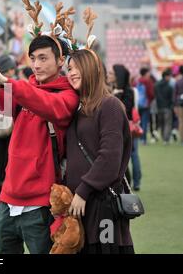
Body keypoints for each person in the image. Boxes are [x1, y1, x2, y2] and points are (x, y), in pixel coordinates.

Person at [0, 33, 79, 254]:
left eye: (43, 58)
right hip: (8, 197)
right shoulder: (24, 90)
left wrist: (5, 81)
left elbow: (45, 103)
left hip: (42, 201)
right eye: (33, 58)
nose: (36, 65)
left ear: (60, 60)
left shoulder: (68, 95)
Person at [65, 49, 134, 254]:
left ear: (93, 70)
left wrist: (83, 190)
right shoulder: (76, 109)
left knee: (106, 248)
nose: (72, 73)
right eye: (69, 68)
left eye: (77, 67)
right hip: (78, 207)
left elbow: (110, 158)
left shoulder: (109, 105)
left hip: (103, 206)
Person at [0, 54, 17, 198]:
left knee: (0, 164)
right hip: (11, 130)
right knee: (8, 165)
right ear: (10, 69)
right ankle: (5, 195)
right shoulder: (9, 84)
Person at [111, 64, 141, 190]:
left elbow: (124, 110)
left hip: (124, 128)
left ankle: (131, 183)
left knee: (127, 156)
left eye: (111, 73)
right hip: (128, 127)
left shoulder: (122, 92)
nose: (109, 75)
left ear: (118, 76)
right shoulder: (131, 90)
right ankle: (135, 182)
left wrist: (116, 96)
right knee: (131, 155)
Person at [155, 69, 174, 145]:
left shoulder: (156, 85)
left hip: (159, 107)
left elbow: (155, 96)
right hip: (167, 107)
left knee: (162, 123)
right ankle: (166, 139)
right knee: (167, 123)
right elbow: (171, 98)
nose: (170, 78)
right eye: (169, 76)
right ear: (166, 76)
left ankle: (163, 138)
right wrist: (171, 106)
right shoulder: (169, 87)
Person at [137, 68, 155, 145]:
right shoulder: (148, 81)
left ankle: (140, 138)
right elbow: (151, 93)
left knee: (139, 122)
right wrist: (150, 100)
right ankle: (143, 139)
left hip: (137, 104)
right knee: (144, 122)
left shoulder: (137, 81)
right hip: (146, 104)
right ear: (145, 73)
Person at [174, 66, 183, 144]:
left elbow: (175, 94)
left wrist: (175, 106)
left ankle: (181, 138)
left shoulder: (178, 82)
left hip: (180, 104)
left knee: (181, 121)